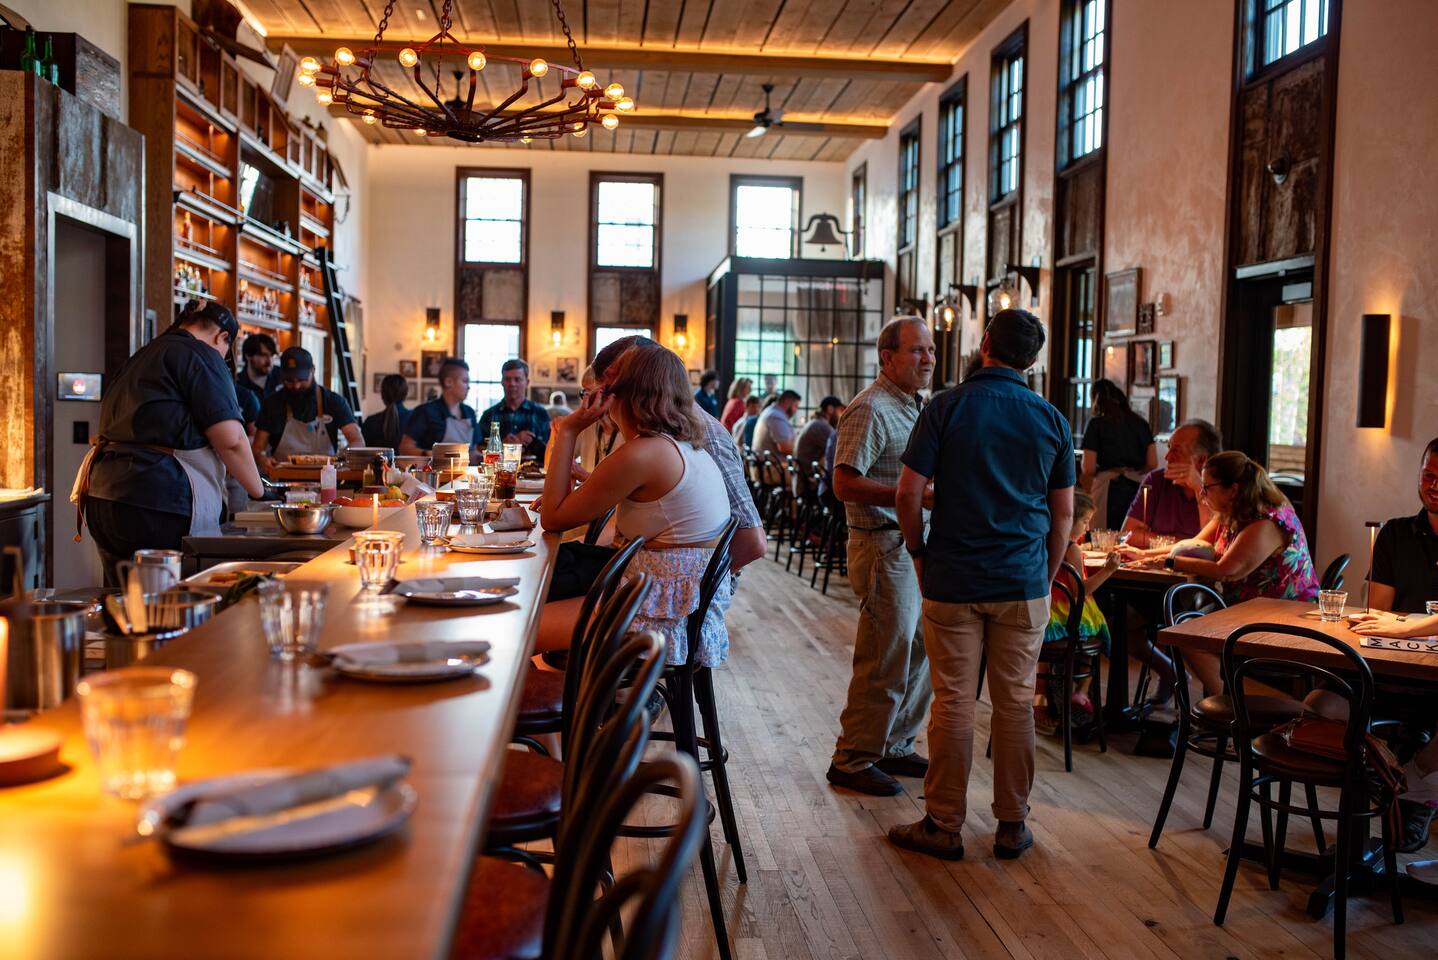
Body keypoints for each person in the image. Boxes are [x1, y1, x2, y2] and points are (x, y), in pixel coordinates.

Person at [888, 308, 1075, 862]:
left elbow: (907, 493)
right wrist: (1044, 575)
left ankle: (943, 824)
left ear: (985, 342)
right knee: (1016, 704)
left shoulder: (945, 407)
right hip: (1022, 578)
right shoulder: (1051, 418)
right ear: (1032, 361)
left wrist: (918, 552)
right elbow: (1063, 515)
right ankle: (1012, 825)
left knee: (953, 702)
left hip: (953, 575)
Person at [537, 345, 732, 665]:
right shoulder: (686, 448)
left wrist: (569, 429)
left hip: (651, 617)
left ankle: (557, 695)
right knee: (546, 585)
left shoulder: (644, 453)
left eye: (608, 385)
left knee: (515, 628)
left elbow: (553, 518)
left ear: (623, 394)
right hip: (678, 611)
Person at [72, 301, 265, 585]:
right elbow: (232, 440)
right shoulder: (200, 354)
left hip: (103, 496)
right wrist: (259, 491)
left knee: (124, 600)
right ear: (221, 337)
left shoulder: (144, 354)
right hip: (160, 499)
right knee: (171, 601)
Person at [826, 316, 936, 798]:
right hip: (882, 545)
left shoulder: (914, 406)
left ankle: (894, 744)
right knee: (885, 655)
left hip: (913, 544)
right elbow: (843, 482)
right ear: (887, 357)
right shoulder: (870, 407)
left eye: (930, 350)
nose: (927, 359)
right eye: (917, 350)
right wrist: (908, 496)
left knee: (921, 650)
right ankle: (852, 758)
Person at [1138, 450, 1320, 694]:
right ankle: (1236, 701)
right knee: (1185, 626)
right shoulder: (1231, 513)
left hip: (1282, 616)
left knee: (1187, 635)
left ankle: (1238, 704)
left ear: (1233, 490)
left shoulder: (1266, 522)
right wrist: (1143, 555)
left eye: (1207, 487)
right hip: (1251, 610)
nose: (1201, 494)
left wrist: (1170, 563)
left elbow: (1226, 571)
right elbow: (1193, 544)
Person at [1035, 491, 1118, 735]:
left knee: (1046, 653)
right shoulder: (1072, 549)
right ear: (1070, 519)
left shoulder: (1043, 540)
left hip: (1045, 612)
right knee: (1100, 632)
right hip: (1066, 614)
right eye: (1085, 521)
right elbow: (1080, 591)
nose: (1087, 527)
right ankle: (1080, 691)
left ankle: (1046, 699)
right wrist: (1108, 570)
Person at [251, 347, 362, 470]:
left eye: (301, 379)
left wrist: (342, 458)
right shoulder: (272, 404)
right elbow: (257, 448)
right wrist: (262, 459)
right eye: (289, 381)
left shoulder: (334, 402)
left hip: (326, 476)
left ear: (312, 371)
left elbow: (357, 440)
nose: (296, 386)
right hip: (282, 477)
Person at [1121, 419, 1222, 546]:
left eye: (1176, 450)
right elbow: (1128, 534)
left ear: (1202, 459)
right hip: (1157, 558)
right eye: (1169, 447)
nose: (1167, 457)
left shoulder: (1222, 488)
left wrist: (1199, 488)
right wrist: (1181, 545)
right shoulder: (1157, 480)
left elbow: (1214, 544)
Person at [1368, 437, 1438, 613]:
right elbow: (1377, 611)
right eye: (1429, 475)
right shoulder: (1393, 535)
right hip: (1396, 631)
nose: (1435, 486)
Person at [1080, 379, 1157, 531]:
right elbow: (1152, 463)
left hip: (1107, 487)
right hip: (1135, 486)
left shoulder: (1096, 424)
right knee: (1130, 533)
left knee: (1103, 534)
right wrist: (1133, 471)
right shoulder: (1141, 423)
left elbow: (1088, 468)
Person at [399, 357, 479, 457]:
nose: (468, 386)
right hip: (433, 467)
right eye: (465, 381)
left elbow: (473, 451)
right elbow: (404, 448)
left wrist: (485, 457)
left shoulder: (470, 412)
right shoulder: (425, 411)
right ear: (448, 382)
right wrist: (429, 454)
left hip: (465, 467)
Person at [478, 358, 550, 461]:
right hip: (500, 470)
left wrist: (533, 443)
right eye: (507, 379)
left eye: (517, 379)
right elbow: (478, 450)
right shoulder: (489, 414)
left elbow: (551, 451)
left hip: (535, 470)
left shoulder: (540, 413)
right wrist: (501, 445)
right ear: (502, 382)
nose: (512, 384)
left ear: (527, 382)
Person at [794, 396, 843, 496]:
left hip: (803, 479)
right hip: (808, 484)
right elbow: (838, 452)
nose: (841, 415)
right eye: (840, 411)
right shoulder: (821, 426)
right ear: (830, 409)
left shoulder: (815, 422)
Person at [361, 374, 412, 450]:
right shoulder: (415, 419)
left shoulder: (370, 421)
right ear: (405, 395)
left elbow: (363, 451)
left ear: (382, 395)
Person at [235, 332, 279, 407]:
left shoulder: (282, 376)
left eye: (271, 355)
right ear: (248, 356)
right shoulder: (238, 385)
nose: (269, 361)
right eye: (263, 355)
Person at [753, 389, 801, 458]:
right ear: (787, 401)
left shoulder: (772, 411)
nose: (796, 410)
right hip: (773, 463)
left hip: (768, 461)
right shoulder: (775, 416)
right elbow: (785, 447)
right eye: (795, 406)